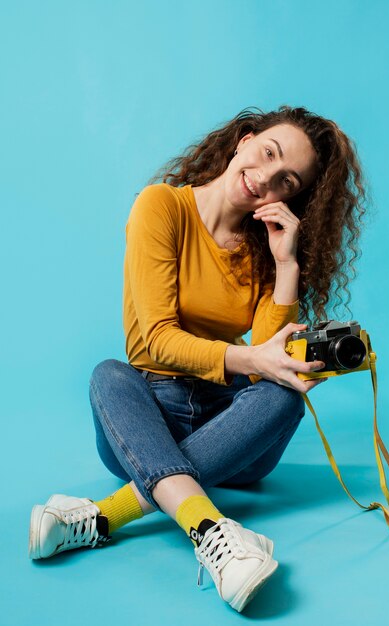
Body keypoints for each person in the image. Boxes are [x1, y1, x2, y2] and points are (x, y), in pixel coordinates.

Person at [28, 105, 366, 612]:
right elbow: (156, 341)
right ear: (243, 141)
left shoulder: (264, 248)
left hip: (228, 428)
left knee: (283, 396)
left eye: (286, 180)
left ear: (292, 197)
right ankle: (215, 536)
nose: (265, 178)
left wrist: (287, 263)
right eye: (267, 154)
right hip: (146, 417)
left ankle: (104, 517)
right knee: (109, 375)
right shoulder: (161, 207)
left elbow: (266, 361)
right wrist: (255, 359)